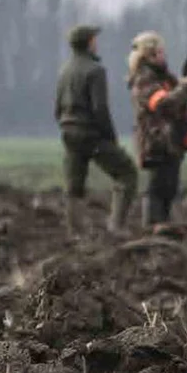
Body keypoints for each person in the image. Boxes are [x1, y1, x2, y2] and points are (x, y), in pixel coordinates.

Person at [54, 24, 138, 238]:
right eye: (94, 39)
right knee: (126, 172)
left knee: (74, 186)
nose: (96, 42)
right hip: (90, 135)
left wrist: (66, 126)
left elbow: (57, 107)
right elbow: (100, 108)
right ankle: (116, 226)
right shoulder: (95, 70)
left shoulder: (64, 70)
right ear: (89, 43)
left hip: (68, 133)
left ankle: (76, 233)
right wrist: (111, 137)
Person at [127, 31, 187, 234]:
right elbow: (163, 104)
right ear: (148, 56)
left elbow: (178, 95)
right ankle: (152, 230)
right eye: (159, 52)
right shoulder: (144, 80)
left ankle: (163, 229)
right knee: (155, 191)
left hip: (171, 143)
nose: (163, 56)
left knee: (169, 190)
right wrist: (183, 90)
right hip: (156, 143)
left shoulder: (164, 77)